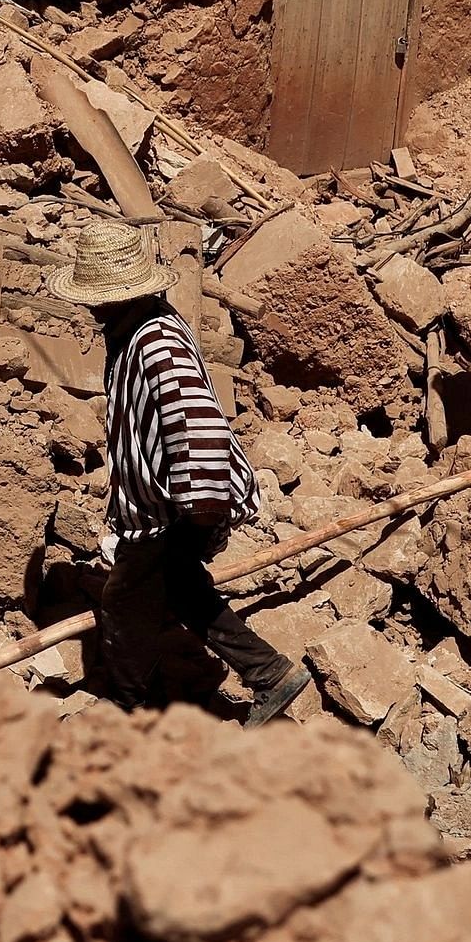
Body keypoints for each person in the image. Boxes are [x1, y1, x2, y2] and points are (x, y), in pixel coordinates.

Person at [48, 218, 310, 724]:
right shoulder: (134, 332)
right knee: (182, 588)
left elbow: (200, 430)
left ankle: (125, 712)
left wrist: (203, 513)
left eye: (95, 298)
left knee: (125, 599)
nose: (91, 308)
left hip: (179, 505)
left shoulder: (157, 346)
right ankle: (271, 674)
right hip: (170, 502)